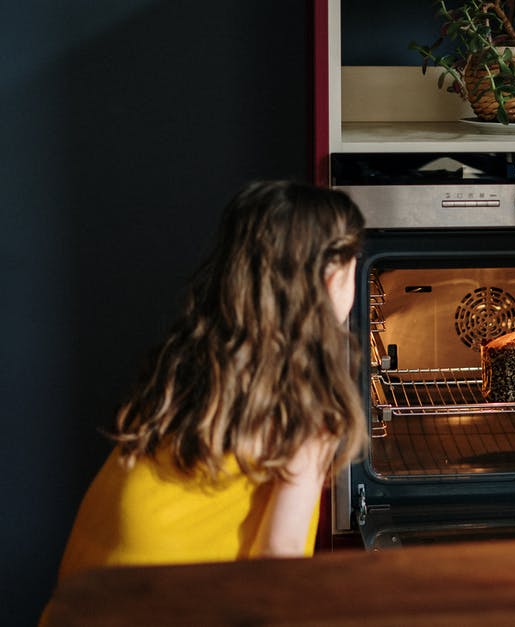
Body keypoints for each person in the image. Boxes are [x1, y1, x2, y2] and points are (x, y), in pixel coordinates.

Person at [56, 180, 369, 579]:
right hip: (168, 599)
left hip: (95, 583)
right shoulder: (307, 399)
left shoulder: (194, 352)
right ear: (331, 280)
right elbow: (279, 553)